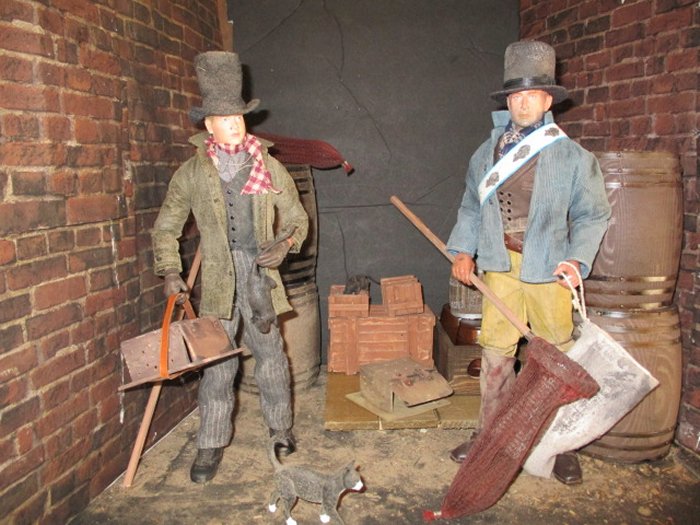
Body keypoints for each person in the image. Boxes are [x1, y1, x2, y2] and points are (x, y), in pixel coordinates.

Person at [446, 40, 611, 485]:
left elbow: (593, 215)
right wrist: (463, 250)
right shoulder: (485, 154)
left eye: (533, 95)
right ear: (507, 101)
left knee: (556, 361)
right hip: (499, 266)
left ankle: (560, 447)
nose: (523, 103)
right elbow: (470, 206)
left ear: (547, 101)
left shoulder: (572, 156)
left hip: (548, 271)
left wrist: (576, 260)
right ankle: (489, 437)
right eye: (516, 95)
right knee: (495, 357)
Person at [152, 51, 308, 483]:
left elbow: (297, 217)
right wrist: (170, 270)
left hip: (260, 277)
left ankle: (280, 430)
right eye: (224, 118)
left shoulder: (268, 166)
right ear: (209, 126)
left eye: (238, 116)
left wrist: (286, 243)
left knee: (271, 358)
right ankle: (211, 442)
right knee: (217, 365)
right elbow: (167, 225)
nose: (235, 124)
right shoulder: (192, 174)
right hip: (220, 281)